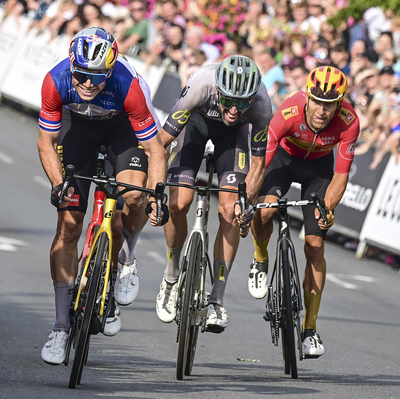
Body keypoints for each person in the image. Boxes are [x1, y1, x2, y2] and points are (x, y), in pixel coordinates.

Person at [38, 27, 168, 365]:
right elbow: (46, 142)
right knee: (68, 225)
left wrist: (155, 194)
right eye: (82, 75)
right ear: (71, 65)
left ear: (110, 70)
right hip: (76, 125)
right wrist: (58, 184)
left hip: (121, 125)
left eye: (98, 77)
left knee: (134, 196)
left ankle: (127, 257)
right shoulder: (57, 79)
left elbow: (155, 151)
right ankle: (61, 326)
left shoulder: (128, 84)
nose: (89, 84)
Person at [249, 66, 359, 358]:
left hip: (319, 171)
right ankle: (260, 258)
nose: (322, 111)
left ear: (339, 104)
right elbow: (262, 163)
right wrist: (249, 200)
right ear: (307, 98)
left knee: (315, 245)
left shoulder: (349, 122)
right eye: (317, 102)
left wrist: (328, 208)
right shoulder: (288, 113)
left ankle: (310, 329)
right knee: (264, 212)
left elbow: (341, 175)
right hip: (283, 161)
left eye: (330, 105)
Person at [156, 55, 272, 332]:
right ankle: (171, 276)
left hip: (232, 139)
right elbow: (162, 142)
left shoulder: (262, 105)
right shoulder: (201, 86)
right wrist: (154, 191)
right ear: (218, 89)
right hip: (194, 126)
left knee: (231, 212)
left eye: (242, 103)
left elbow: (258, 164)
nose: (234, 109)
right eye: (229, 100)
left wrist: (248, 205)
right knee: (179, 203)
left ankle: (217, 299)